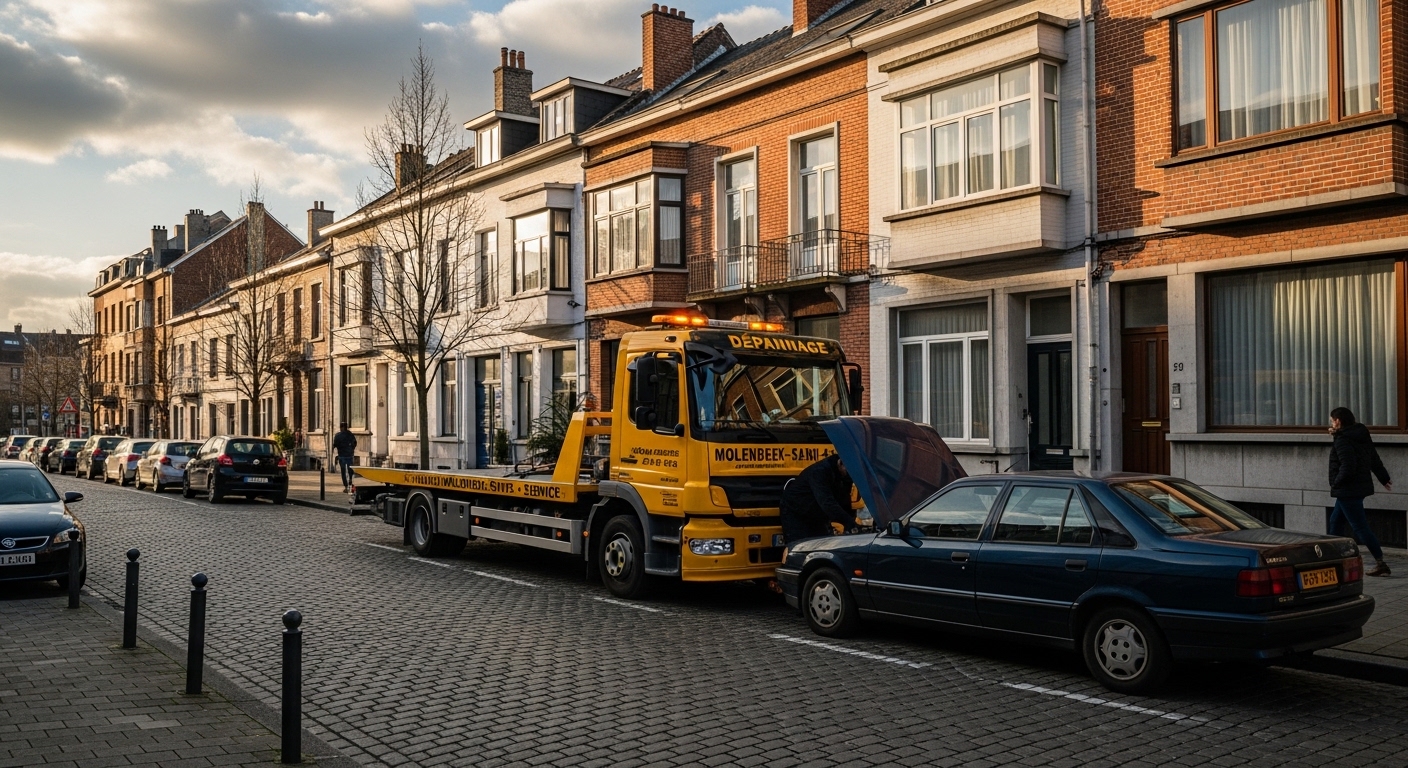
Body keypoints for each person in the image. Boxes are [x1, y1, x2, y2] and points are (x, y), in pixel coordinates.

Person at [1328, 407, 1392, 577]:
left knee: (1360, 527)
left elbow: (1348, 466)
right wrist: (1383, 477)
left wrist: (1336, 483)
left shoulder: (1343, 439)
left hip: (1348, 489)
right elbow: (1373, 457)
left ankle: (1380, 562)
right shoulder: (1361, 434)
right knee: (1335, 522)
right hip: (1355, 488)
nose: (1331, 423)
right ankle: (1334, 559)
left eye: (1332, 420)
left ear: (1338, 421)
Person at [780, 453, 857, 544]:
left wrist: (851, 521)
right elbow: (827, 502)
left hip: (815, 514)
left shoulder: (844, 474)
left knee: (822, 545)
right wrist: (848, 521)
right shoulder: (819, 472)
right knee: (799, 547)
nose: (849, 475)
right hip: (796, 512)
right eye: (848, 471)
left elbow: (844, 500)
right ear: (840, 463)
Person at [332, 422, 358, 493]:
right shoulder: (350, 434)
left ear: (341, 427)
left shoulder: (338, 435)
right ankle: (350, 482)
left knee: (343, 471)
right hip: (349, 455)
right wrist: (351, 449)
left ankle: (346, 486)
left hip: (342, 455)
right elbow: (355, 443)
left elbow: (334, 445)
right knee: (350, 470)